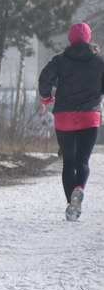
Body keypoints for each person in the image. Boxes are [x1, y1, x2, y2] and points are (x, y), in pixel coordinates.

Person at [37, 21, 104, 221]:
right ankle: (79, 188)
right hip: (90, 116)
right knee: (83, 161)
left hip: (64, 117)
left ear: (70, 38)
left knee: (68, 162)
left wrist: (47, 97)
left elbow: (44, 79)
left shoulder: (60, 60)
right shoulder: (99, 62)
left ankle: (71, 205)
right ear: (88, 38)